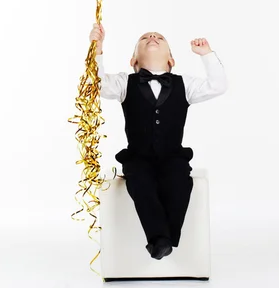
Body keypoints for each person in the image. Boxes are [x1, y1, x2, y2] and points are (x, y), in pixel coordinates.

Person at [89, 23, 228, 260]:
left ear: (171, 60)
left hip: (173, 156)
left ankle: (167, 239)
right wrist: (97, 48)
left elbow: (218, 86)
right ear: (133, 60)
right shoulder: (125, 83)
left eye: (159, 38)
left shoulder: (186, 85)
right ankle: (158, 239)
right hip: (138, 158)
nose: (152, 37)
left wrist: (207, 55)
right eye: (145, 38)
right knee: (141, 185)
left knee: (180, 184)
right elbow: (97, 84)